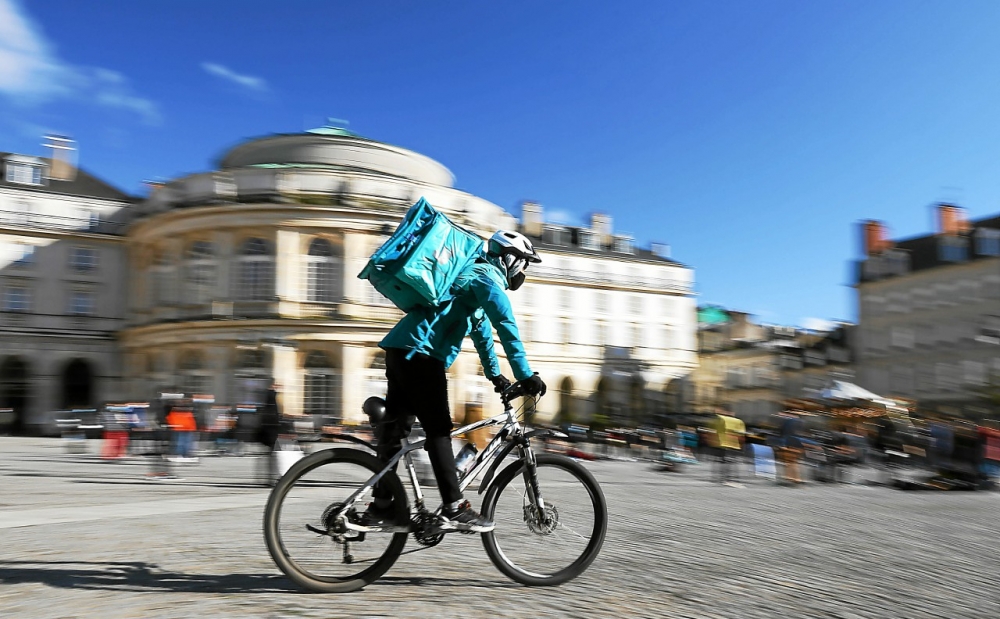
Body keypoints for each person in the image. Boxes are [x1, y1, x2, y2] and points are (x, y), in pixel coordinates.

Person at [362, 230, 547, 533]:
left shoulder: (468, 275)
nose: (522, 271)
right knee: (438, 430)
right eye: (523, 263)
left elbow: (482, 331)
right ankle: (454, 507)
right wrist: (525, 375)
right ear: (510, 258)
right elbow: (505, 324)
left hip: (401, 350)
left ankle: (381, 508)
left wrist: (495, 376)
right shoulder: (486, 276)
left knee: (396, 433)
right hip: (421, 355)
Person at [713, 409, 745, 486]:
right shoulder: (739, 421)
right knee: (734, 462)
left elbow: (718, 431)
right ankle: (736, 478)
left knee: (723, 461)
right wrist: (741, 445)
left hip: (723, 443)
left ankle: (724, 478)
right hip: (734, 444)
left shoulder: (722, 419)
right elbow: (741, 434)